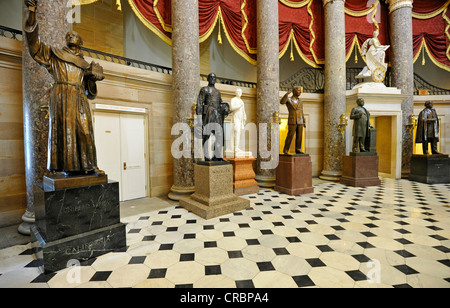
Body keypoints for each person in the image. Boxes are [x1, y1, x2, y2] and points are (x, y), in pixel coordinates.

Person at [24, 0, 105, 176]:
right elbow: (34, 47)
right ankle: (56, 168)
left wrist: (92, 79)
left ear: (80, 42)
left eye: (74, 35)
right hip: (61, 95)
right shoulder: (55, 55)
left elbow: (90, 94)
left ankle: (90, 165)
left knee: (85, 131)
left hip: (79, 99)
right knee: (61, 131)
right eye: (68, 34)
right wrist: (32, 12)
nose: (70, 35)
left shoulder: (85, 64)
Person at [196, 73, 230, 161]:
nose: (212, 79)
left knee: (219, 135)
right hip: (208, 113)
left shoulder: (217, 91)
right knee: (207, 135)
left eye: (214, 78)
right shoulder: (204, 89)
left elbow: (221, 103)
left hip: (217, 114)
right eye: (211, 77)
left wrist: (225, 109)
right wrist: (199, 118)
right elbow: (199, 104)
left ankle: (217, 156)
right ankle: (207, 157)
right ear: (208, 79)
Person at [280, 86, 306, 155]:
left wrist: (303, 120)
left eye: (300, 91)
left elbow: (301, 111)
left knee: (299, 136)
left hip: (300, 121)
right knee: (290, 135)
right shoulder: (288, 99)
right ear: (294, 91)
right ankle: (285, 150)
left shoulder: (300, 101)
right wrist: (286, 94)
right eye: (298, 90)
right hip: (292, 120)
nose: (300, 92)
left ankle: (298, 149)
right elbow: (282, 102)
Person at [229, 88, 247, 157]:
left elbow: (243, 110)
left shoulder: (241, 101)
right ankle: (235, 148)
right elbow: (232, 108)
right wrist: (239, 106)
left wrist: (244, 116)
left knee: (239, 133)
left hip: (240, 119)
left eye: (240, 92)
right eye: (238, 92)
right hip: (235, 118)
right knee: (236, 132)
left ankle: (237, 147)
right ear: (236, 93)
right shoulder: (233, 99)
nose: (240, 93)